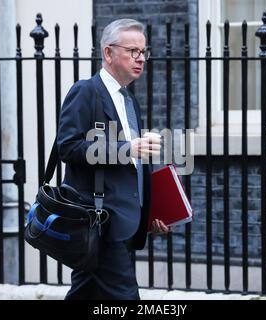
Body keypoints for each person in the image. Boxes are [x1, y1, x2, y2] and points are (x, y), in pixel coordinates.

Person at [57, 18, 170, 300]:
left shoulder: (129, 100)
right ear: (108, 53)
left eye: (144, 52)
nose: (141, 59)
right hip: (101, 222)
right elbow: (68, 147)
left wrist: (150, 213)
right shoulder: (85, 91)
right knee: (126, 297)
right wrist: (125, 148)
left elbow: (133, 169)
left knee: (86, 293)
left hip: (125, 223)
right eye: (133, 51)